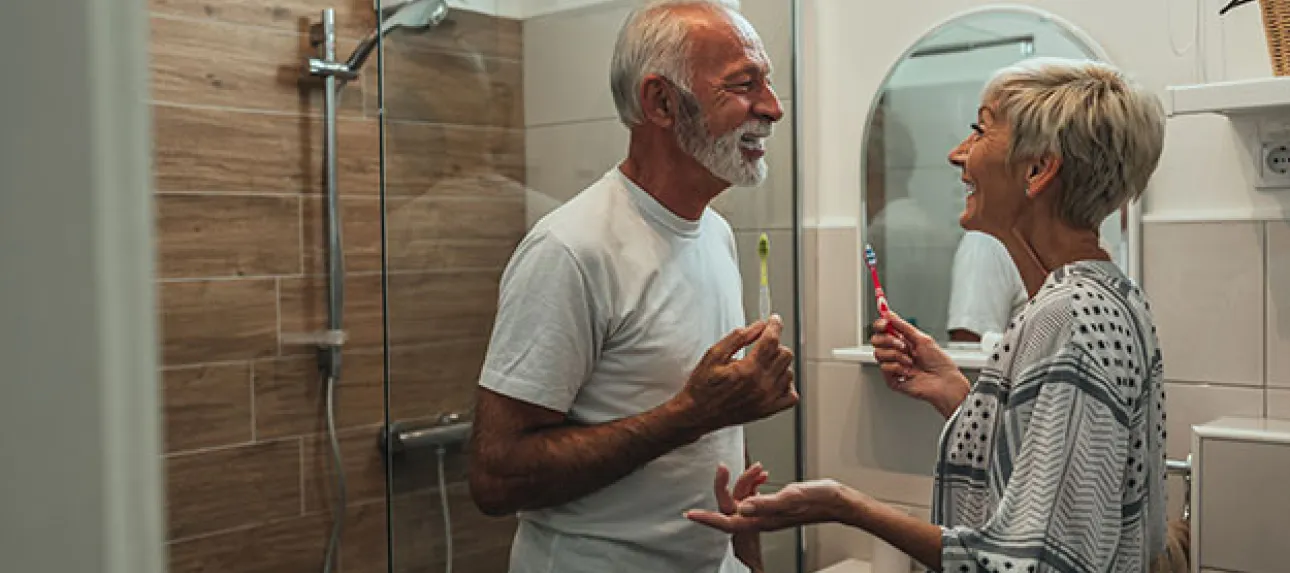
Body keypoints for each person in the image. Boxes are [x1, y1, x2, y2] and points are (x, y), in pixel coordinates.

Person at [688, 57, 1173, 572]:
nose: (957, 154)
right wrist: (959, 396)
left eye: (979, 130)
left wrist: (844, 507)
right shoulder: (1110, 296)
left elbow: (1030, 565)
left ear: (1038, 169)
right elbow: (1051, 484)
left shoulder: (1069, 317)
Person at [467, 2, 794, 572]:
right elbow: (496, 475)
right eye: (745, 86)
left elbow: (724, 443)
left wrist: (747, 561)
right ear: (661, 102)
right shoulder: (571, 249)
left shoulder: (715, 234)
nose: (773, 108)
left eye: (767, 84)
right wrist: (689, 413)